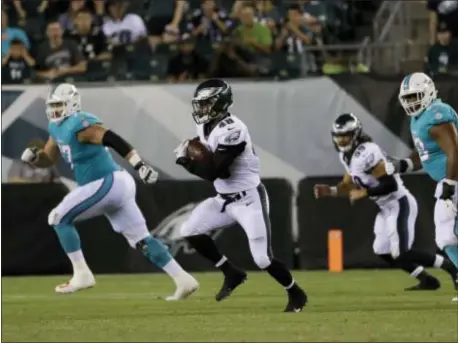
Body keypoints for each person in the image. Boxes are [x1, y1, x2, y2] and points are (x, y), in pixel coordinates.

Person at [20, 83, 198, 300]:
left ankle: (82, 274)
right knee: (142, 240)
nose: (55, 110)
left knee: (58, 217)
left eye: (59, 105)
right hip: (113, 186)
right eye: (53, 105)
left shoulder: (80, 123)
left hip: (107, 181)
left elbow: (113, 138)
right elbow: (49, 157)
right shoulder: (56, 127)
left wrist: (140, 165)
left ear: (72, 104)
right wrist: (34, 158)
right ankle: (183, 279)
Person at [173, 79, 307, 312]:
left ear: (220, 103)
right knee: (189, 230)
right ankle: (231, 272)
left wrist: (187, 161)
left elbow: (217, 171)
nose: (201, 109)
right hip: (224, 200)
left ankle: (296, 293)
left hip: (248, 199)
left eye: (206, 104)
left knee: (263, 259)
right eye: (200, 104)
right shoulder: (205, 127)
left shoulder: (233, 129)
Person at [314, 113, 458, 292]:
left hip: (399, 202)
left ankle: (450, 266)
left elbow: (389, 184)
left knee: (402, 252)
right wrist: (331, 191)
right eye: (338, 137)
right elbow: (347, 184)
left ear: (356, 134)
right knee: (382, 250)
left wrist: (364, 192)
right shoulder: (346, 156)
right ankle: (426, 279)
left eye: (346, 136)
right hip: (385, 207)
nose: (342, 141)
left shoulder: (368, 152)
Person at [391, 72, 458, 302]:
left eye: (415, 97)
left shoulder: (436, 115)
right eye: (407, 98)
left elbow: (454, 151)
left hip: (453, 181)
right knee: (446, 237)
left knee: (448, 234)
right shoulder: (419, 118)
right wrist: (405, 164)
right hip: (447, 182)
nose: (411, 102)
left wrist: (450, 183)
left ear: (428, 92)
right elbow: (426, 153)